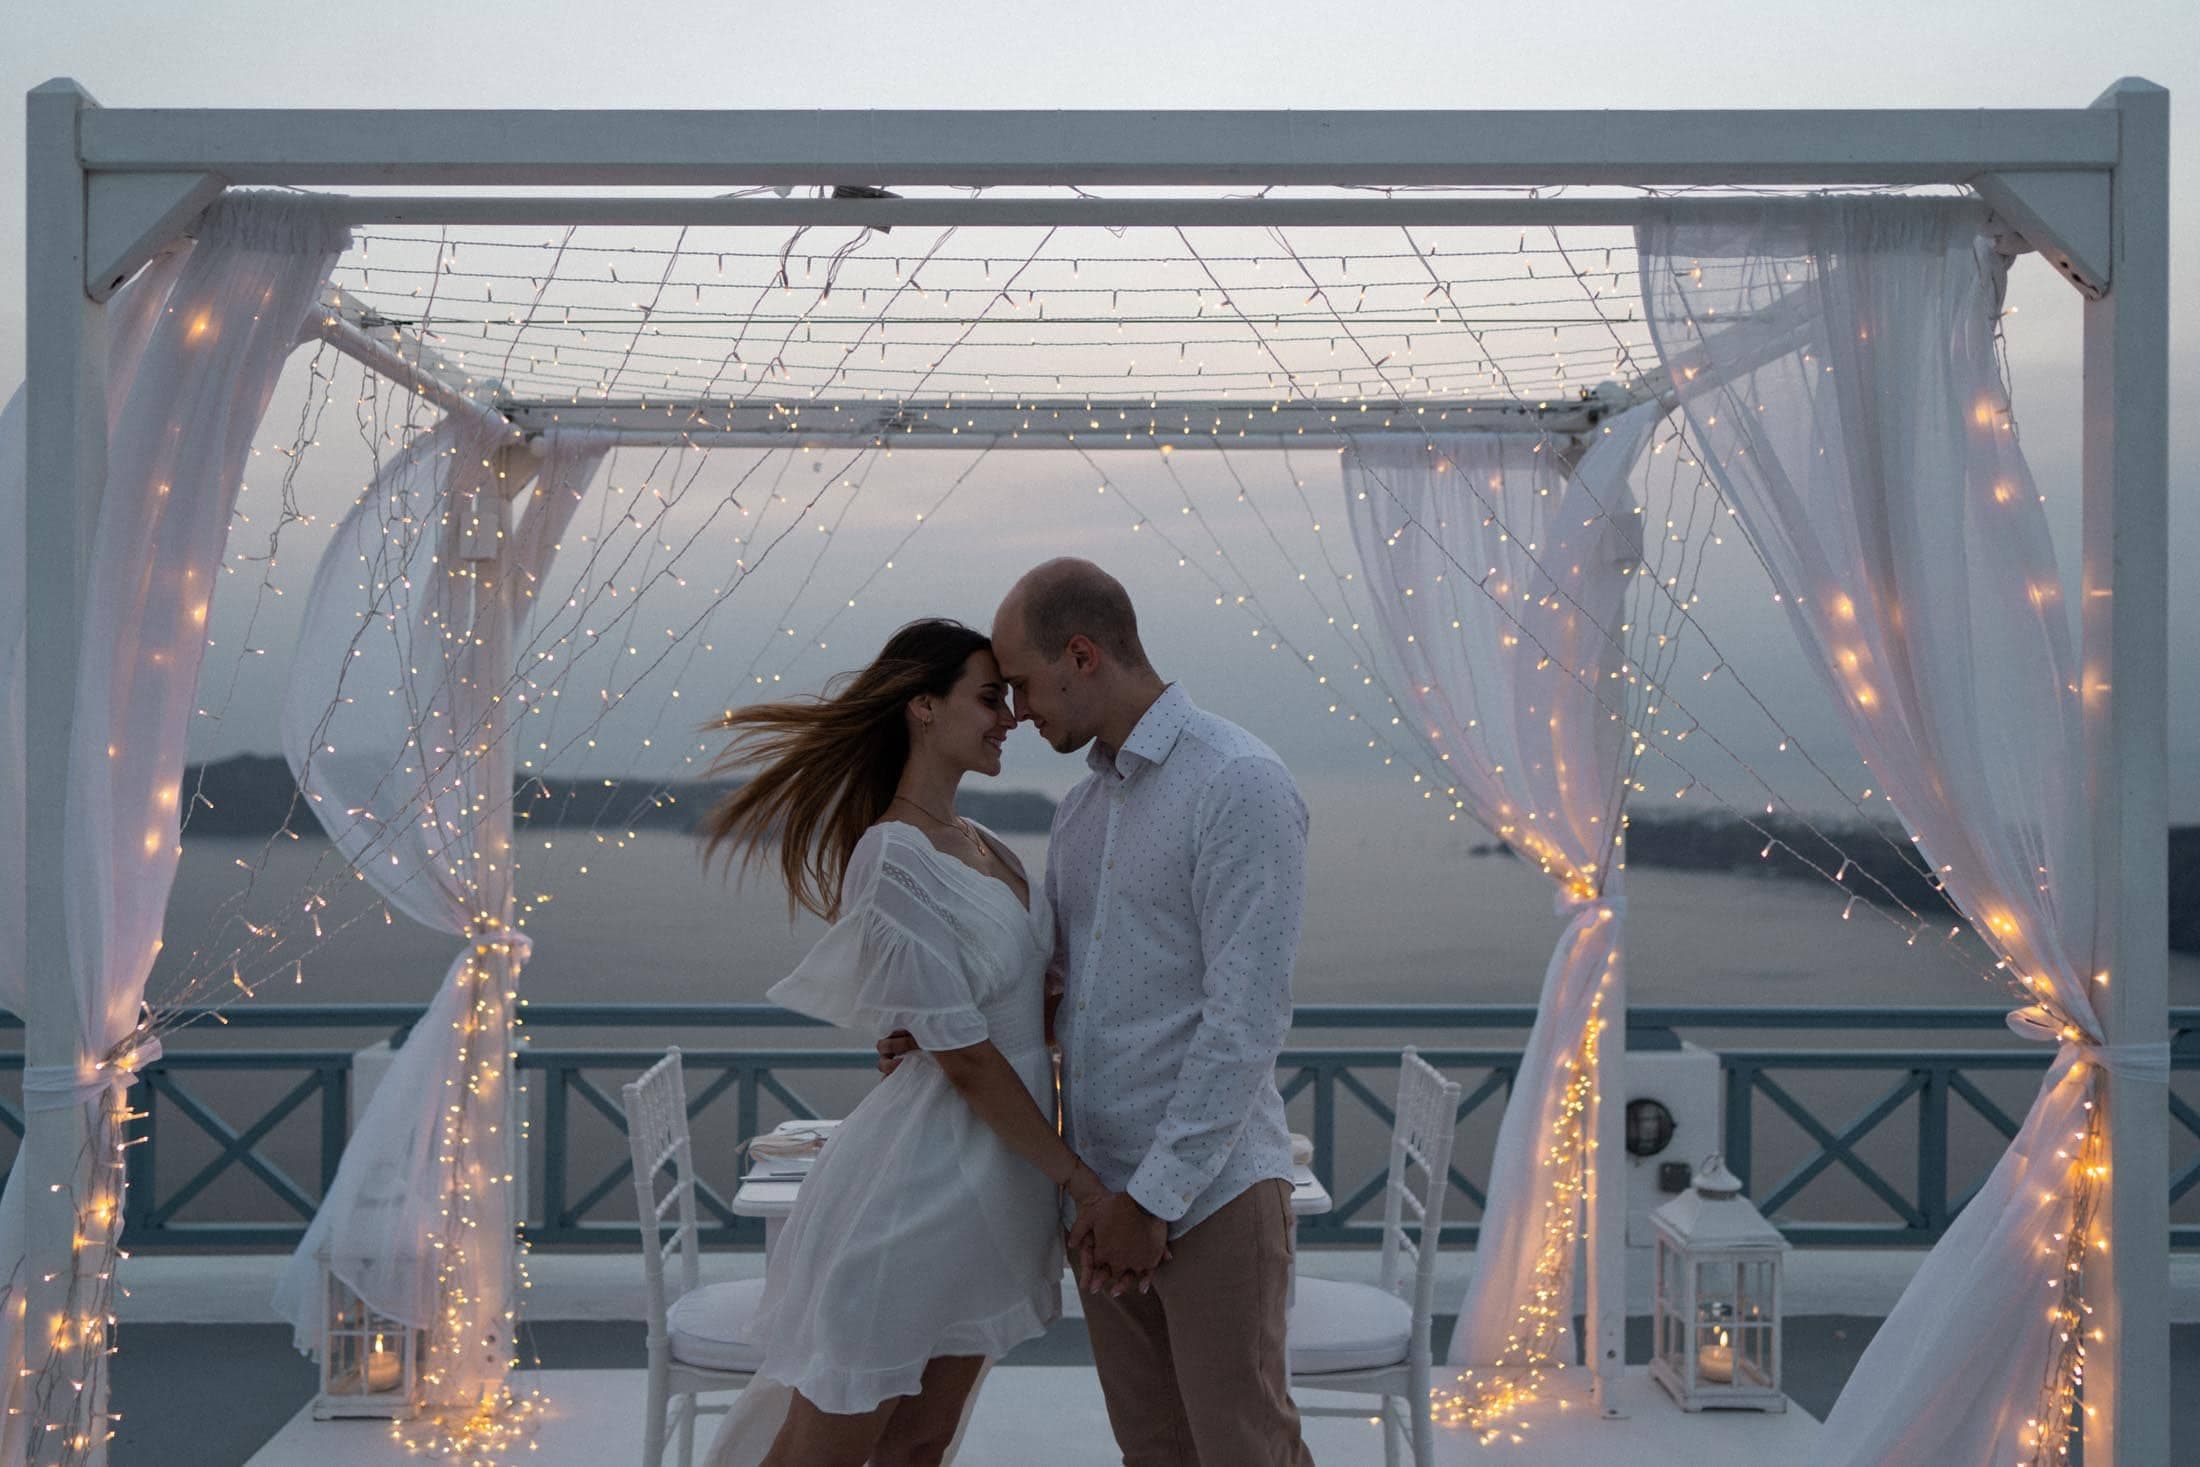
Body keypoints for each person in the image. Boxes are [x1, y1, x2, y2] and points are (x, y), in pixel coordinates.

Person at [880, 559, 1316, 1466]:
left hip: (1209, 1196)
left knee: (1247, 1452)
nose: (1019, 713)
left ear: (1083, 655)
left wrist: (1152, 1200)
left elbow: (1247, 1022)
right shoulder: (1081, 812)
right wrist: (938, 1028)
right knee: (1154, 1454)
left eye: (1026, 687)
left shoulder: (1239, 782)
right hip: (1105, 1203)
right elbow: (1059, 993)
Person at [697, 618, 1108, 1467]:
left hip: (998, 1190)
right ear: (923, 707)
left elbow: (1010, 1006)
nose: (1010, 717)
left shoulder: (987, 847)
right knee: (826, 1450)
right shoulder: (892, 854)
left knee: (923, 1441)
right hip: (920, 1190)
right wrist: (1078, 1178)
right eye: (989, 697)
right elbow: (961, 1054)